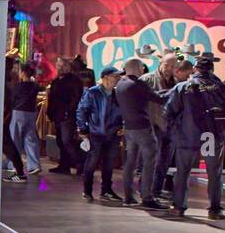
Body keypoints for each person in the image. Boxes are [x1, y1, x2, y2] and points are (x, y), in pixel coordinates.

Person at [164, 52, 225, 219]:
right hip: (212, 136)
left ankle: (178, 207)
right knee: (214, 173)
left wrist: (177, 130)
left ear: (195, 69)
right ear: (212, 70)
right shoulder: (222, 88)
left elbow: (168, 112)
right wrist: (224, 130)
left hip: (187, 136)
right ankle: (215, 210)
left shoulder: (182, 87)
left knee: (182, 172)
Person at [115, 58, 166, 208]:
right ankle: (147, 198)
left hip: (129, 129)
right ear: (138, 68)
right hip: (143, 128)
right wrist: (176, 91)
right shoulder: (138, 84)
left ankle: (128, 197)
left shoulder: (121, 84)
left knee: (130, 163)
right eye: (142, 67)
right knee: (150, 162)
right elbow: (159, 98)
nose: (143, 70)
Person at [76, 66, 124, 201]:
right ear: (105, 78)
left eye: (118, 77)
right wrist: (83, 128)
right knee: (92, 162)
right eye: (115, 76)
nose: (117, 79)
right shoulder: (93, 93)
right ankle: (87, 190)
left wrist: (122, 126)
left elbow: (123, 113)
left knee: (109, 164)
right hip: (95, 133)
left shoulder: (117, 95)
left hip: (113, 134)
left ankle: (106, 190)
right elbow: (81, 110)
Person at [47, 56, 83, 174]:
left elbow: (76, 98)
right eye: (59, 65)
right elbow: (51, 98)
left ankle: (80, 164)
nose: (60, 68)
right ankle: (64, 166)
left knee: (67, 141)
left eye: (63, 66)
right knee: (60, 141)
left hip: (68, 115)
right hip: (57, 115)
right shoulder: (56, 81)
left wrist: (69, 111)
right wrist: (50, 112)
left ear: (68, 67)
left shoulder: (74, 81)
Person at [9, 61, 42, 175]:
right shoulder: (35, 86)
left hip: (18, 112)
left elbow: (12, 99)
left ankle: (14, 164)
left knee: (15, 138)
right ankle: (34, 165)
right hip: (31, 113)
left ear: (22, 73)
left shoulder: (18, 86)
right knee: (30, 139)